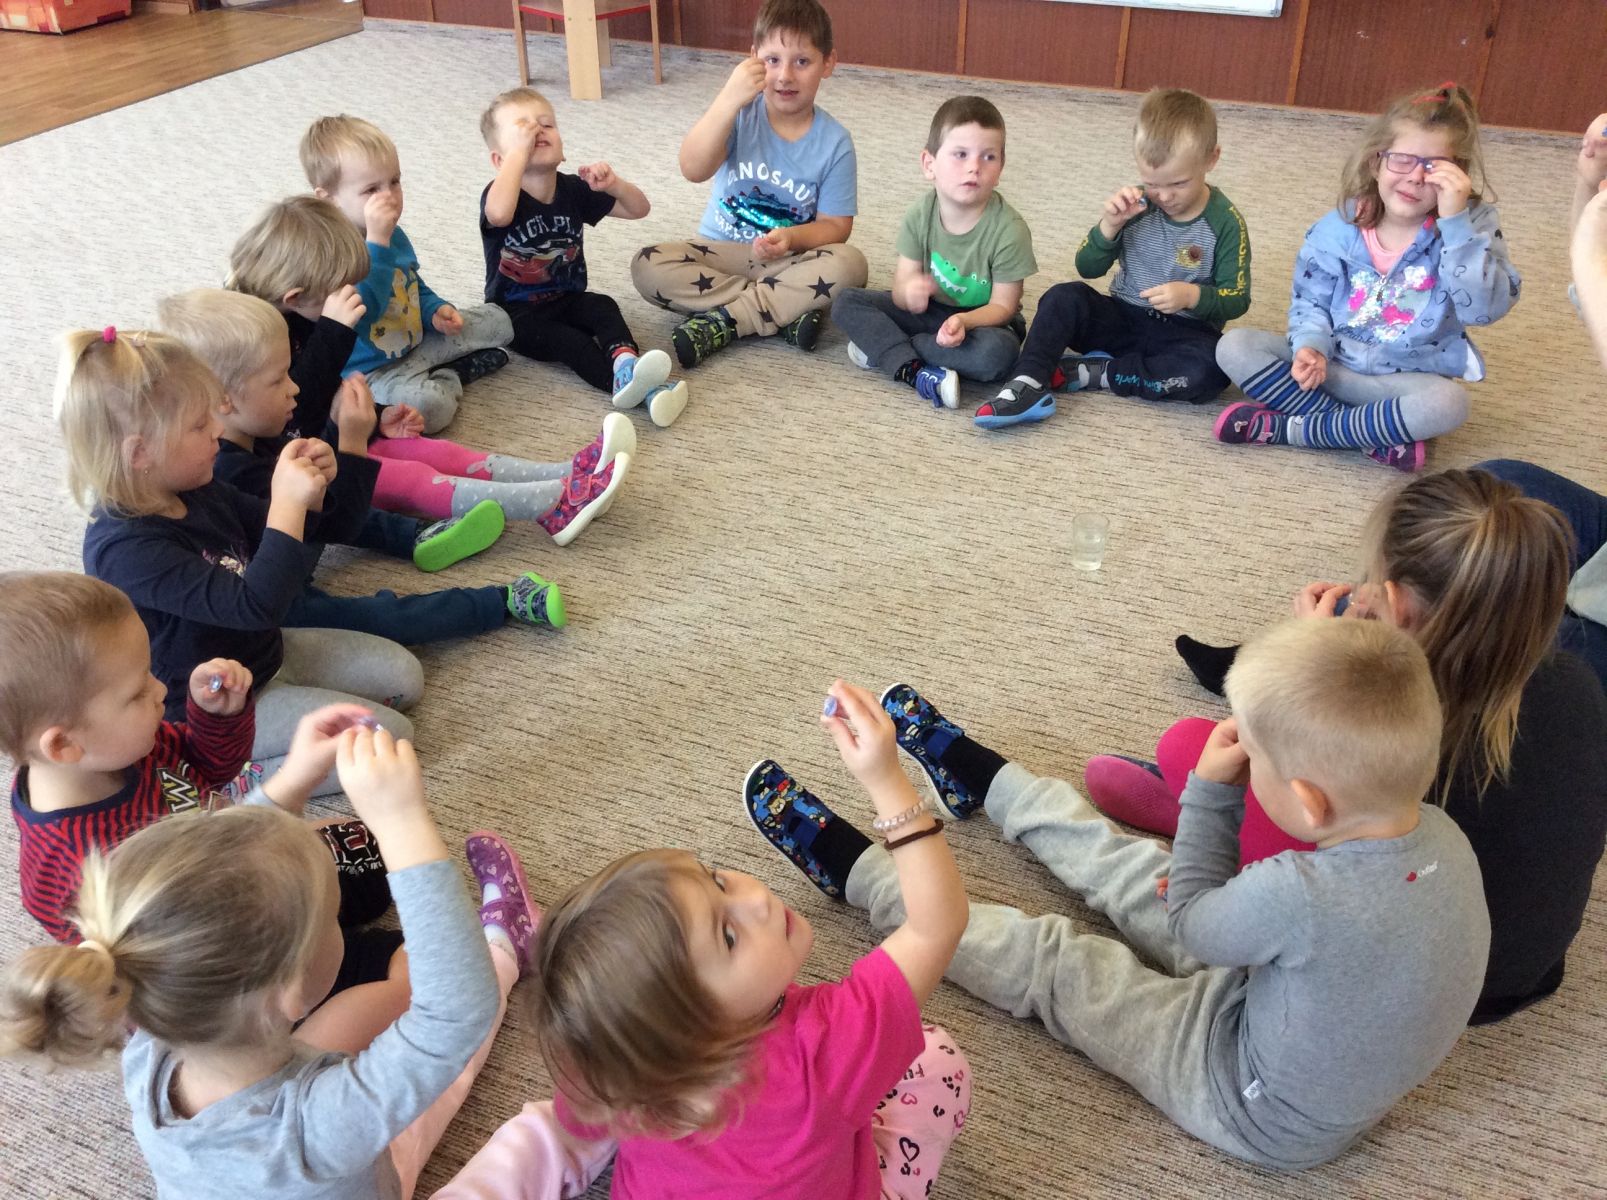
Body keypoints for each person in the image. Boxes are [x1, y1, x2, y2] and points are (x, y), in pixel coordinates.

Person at [765, 628, 1486, 1170]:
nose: (1237, 757)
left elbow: (1196, 921)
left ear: (1308, 801)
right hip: (1288, 1013)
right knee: (1140, 871)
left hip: (1244, 1092)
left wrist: (1210, 792)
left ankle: (863, 875)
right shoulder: (1445, 838)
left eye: (1252, 757)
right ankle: (989, 783)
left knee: (1059, 965)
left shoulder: (1299, 893)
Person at [1109, 469, 1607, 1024]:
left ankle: (1205, 829)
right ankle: (1212, 822)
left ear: (1393, 600)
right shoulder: (1578, 680)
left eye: (1369, 577)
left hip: (1406, 980)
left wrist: (1313, 651)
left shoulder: (1384, 722)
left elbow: (1278, 755)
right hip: (1525, 971)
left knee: (1188, 746)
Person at [448, 681, 971, 1199]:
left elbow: (575, 1119)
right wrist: (887, 781)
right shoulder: (824, 1052)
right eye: (727, 935)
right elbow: (936, 925)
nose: (758, 897)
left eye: (716, 879)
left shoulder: (610, 1068)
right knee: (936, 1057)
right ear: (691, 1032)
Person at [0, 725, 541, 1200]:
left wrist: (295, 779)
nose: (339, 922)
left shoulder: (147, 1041)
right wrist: (403, 823)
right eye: (332, 917)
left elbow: (213, 886)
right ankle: (504, 944)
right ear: (291, 992)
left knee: (364, 1015)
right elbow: (452, 1016)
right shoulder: (313, 1129)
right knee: (524, 1138)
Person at [60, 327, 420, 797]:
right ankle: (224, 780)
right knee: (389, 740)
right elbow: (259, 605)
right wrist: (288, 503)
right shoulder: (124, 549)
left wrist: (331, 472)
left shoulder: (193, 484)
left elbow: (324, 531)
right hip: (219, 708)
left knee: (406, 678)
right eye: (198, 425)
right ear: (140, 452)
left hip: (269, 652)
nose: (218, 429)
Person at [158, 289, 622, 644]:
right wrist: (350, 444)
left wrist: (353, 430)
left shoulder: (254, 428)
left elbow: (329, 511)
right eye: (279, 379)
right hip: (276, 597)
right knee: (380, 617)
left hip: (293, 545)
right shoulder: (227, 470)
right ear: (224, 400)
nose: (294, 388)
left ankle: (560, 481)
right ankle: (500, 601)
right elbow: (333, 524)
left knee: (393, 469)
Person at [225, 199, 634, 552]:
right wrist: (334, 335)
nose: (354, 298)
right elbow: (292, 417)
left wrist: (379, 416)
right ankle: (552, 504)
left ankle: (566, 474)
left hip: (331, 438)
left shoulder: (301, 312)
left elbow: (323, 395)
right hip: (304, 472)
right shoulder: (252, 346)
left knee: (439, 453)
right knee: (413, 479)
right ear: (295, 298)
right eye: (343, 289)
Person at [1213, 83, 1519, 472]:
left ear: (1457, 175)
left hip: (1403, 383)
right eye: (1402, 161)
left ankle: (1290, 429)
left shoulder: (1472, 227)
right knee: (1234, 346)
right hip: (1332, 369)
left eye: (1434, 168)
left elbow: (1482, 311)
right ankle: (1368, 434)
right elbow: (1310, 302)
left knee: (1450, 404)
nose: (1415, 178)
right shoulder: (1340, 225)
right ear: (1376, 163)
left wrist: (1456, 225)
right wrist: (1311, 347)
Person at [975, 88, 1247, 430]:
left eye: (1179, 183)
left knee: (1212, 371)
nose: (1164, 196)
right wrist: (1110, 226)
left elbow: (1238, 298)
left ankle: (1104, 373)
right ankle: (1027, 381)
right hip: (1123, 317)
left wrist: (1193, 296)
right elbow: (1087, 268)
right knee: (1063, 297)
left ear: (1211, 158)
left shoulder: (1226, 223)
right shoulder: (1136, 204)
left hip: (1185, 333)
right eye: (1152, 183)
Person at [630, 0, 868, 368]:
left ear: (828, 63)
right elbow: (692, 168)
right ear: (753, 58)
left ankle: (726, 319)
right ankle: (781, 311)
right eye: (772, 60)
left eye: (801, 61)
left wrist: (792, 238)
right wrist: (727, 99)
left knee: (851, 265)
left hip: (786, 262)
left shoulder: (835, 143)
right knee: (646, 265)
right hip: (718, 255)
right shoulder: (739, 113)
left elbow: (837, 227)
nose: (785, 75)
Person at [481, 86, 691, 428]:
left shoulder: (572, 191)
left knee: (603, 306)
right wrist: (518, 156)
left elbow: (639, 209)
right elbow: (500, 214)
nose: (537, 131)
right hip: (515, 315)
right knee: (571, 343)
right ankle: (630, 388)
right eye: (523, 129)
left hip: (567, 298)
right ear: (499, 161)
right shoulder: (501, 195)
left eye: (546, 124)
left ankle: (625, 361)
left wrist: (615, 185)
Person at [302, 114, 516, 434]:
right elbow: (365, 310)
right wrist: (377, 243)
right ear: (328, 199)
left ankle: (439, 362)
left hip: (417, 338)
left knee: (500, 320)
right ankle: (453, 373)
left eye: (395, 181)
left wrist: (435, 310)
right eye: (371, 189)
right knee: (430, 409)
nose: (389, 196)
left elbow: (410, 283)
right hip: (374, 372)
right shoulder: (329, 255)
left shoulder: (391, 233)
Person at [831, 95, 1035, 410]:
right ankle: (913, 366)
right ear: (930, 165)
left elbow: (1004, 306)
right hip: (929, 312)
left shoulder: (1010, 229)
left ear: (1000, 168)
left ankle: (889, 349)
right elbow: (902, 288)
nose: (974, 167)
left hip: (983, 323)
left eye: (989, 157)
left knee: (998, 355)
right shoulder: (919, 215)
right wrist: (909, 293)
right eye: (961, 154)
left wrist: (964, 322)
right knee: (846, 301)